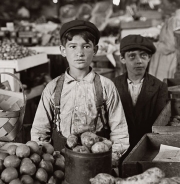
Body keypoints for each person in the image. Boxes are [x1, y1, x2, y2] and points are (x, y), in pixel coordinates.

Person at [31, 20, 129, 165]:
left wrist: (111, 159)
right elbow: (39, 132)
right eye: (72, 46)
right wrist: (46, 160)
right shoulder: (52, 88)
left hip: (96, 162)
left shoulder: (106, 86)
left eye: (86, 46)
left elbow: (120, 132)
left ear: (95, 50)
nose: (79, 53)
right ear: (63, 50)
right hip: (60, 163)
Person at [114, 35, 168, 152]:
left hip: (148, 148)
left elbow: (160, 124)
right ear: (122, 59)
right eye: (132, 56)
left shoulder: (160, 87)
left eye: (143, 55)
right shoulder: (112, 85)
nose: (139, 61)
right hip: (119, 148)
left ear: (149, 58)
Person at [149, 0, 180, 81]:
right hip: (179, 62)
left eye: (163, 3)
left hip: (168, 64)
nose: (161, 6)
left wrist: (150, 44)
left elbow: (168, 46)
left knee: (164, 90)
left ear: (173, 5)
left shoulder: (175, 20)